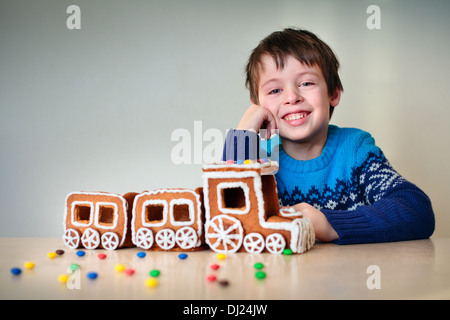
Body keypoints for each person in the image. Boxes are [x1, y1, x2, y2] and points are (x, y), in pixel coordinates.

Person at [234, 28, 434, 244]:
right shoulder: (257, 159)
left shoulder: (355, 150)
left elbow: (416, 210)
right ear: (258, 106)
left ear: (333, 93)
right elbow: (227, 213)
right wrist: (243, 135)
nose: (292, 97)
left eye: (306, 83)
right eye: (275, 91)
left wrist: (330, 225)